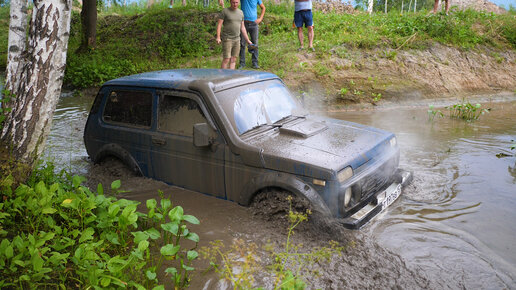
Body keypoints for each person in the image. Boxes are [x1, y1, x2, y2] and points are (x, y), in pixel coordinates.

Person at [216, 0, 254, 69]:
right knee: (226, 59)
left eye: (236, 2)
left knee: (233, 59)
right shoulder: (225, 11)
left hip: (237, 39)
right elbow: (219, 25)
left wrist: (248, 40)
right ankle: (222, 76)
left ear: (239, 2)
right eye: (233, 2)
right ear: (230, 2)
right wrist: (218, 37)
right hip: (227, 39)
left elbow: (242, 28)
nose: (235, 4)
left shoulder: (241, 12)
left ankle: (231, 76)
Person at [238, 0, 265, 69]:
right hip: (243, 23)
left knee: (255, 43)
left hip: (254, 24)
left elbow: (263, 8)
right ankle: (242, 63)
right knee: (242, 43)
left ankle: (255, 63)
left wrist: (260, 18)